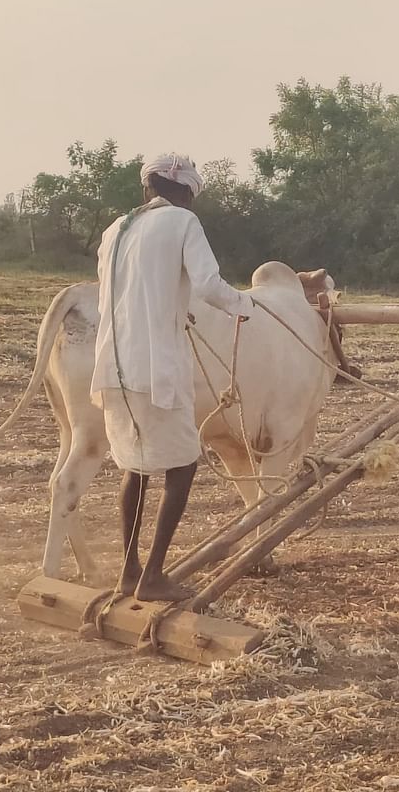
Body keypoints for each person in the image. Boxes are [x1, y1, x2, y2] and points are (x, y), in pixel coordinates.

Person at [90, 153, 253, 602]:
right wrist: (245, 306)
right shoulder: (183, 223)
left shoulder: (115, 230)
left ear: (148, 188)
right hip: (155, 370)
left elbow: (116, 295)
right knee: (182, 465)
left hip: (112, 368)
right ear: (183, 193)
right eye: (190, 197)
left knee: (135, 468)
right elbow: (207, 285)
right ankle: (154, 576)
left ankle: (129, 572)